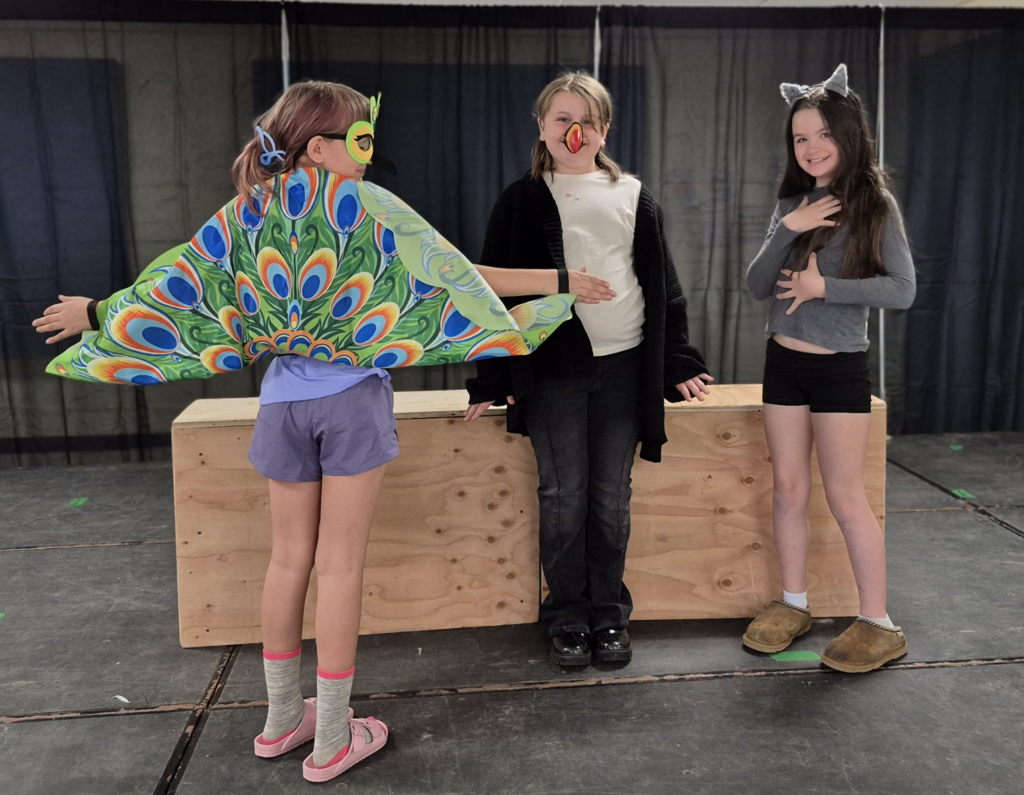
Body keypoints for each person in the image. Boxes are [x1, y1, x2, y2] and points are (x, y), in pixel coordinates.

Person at [33, 79, 614, 781]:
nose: (369, 159)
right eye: (362, 142)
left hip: (282, 405)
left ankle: (283, 720)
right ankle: (335, 734)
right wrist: (559, 281)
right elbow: (456, 276)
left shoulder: (248, 210)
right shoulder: (362, 204)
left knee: (287, 560)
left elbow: (178, 283)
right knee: (339, 566)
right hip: (350, 407)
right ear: (321, 145)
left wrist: (97, 313)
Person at [464, 72, 712, 668]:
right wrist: (493, 379)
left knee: (609, 496)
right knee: (562, 495)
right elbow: (488, 291)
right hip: (554, 374)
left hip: (626, 368)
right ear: (542, 127)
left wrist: (677, 361)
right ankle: (567, 615)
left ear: (604, 130)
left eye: (588, 123)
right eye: (561, 121)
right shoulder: (520, 198)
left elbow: (664, 287)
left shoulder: (632, 195)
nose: (574, 133)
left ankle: (609, 614)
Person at [742, 65, 916, 673]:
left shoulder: (874, 204)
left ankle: (879, 622)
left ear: (849, 135)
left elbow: (903, 289)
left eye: (822, 135)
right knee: (789, 488)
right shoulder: (792, 203)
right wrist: (787, 229)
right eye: (800, 138)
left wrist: (824, 288)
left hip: (839, 369)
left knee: (845, 495)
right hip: (782, 363)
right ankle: (793, 603)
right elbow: (756, 285)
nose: (811, 148)